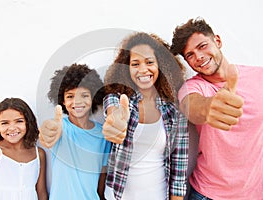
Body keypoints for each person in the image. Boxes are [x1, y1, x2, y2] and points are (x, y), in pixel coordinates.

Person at [170, 17, 263, 199]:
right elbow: (193, 106)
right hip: (208, 194)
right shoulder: (192, 87)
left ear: (217, 41)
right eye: (190, 55)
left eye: (202, 46)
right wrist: (209, 107)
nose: (198, 57)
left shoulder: (259, 77)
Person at [102, 32, 189, 200]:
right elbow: (112, 110)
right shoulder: (119, 100)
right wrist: (115, 121)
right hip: (116, 196)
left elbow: (179, 171)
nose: (143, 69)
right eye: (135, 63)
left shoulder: (174, 113)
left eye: (149, 62)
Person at [39, 63, 111, 200]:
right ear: (63, 101)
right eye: (70, 96)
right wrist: (47, 131)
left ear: (93, 97)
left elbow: (102, 179)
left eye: (84, 95)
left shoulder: (103, 134)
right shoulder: (60, 127)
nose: (77, 101)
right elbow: (48, 130)